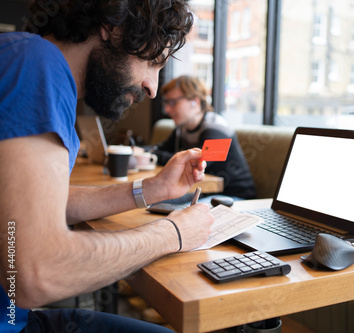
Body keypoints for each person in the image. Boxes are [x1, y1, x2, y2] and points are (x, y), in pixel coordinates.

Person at [0, 1, 215, 332]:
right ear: (114, 28)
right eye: (154, 62)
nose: (153, 87)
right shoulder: (35, 64)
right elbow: (36, 271)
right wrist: (174, 233)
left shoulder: (21, 57)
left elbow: (36, 206)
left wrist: (153, 189)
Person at [152, 75, 257, 203]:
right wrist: (148, 152)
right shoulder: (183, 127)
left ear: (194, 102)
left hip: (234, 196)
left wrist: (155, 156)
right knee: (156, 201)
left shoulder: (217, 128)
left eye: (173, 102)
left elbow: (199, 164)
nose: (167, 109)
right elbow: (160, 148)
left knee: (180, 210)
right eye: (166, 103)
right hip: (204, 192)